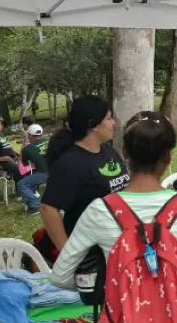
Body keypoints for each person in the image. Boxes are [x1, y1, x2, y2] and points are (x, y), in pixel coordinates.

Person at [50, 111, 177, 323]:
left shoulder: (101, 210)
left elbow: (60, 276)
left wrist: (105, 284)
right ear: (168, 157)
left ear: (124, 153)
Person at [39, 95, 131, 253]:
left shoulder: (108, 151)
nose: (114, 123)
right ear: (93, 125)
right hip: (90, 249)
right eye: (109, 119)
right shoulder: (70, 163)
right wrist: (68, 253)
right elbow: (48, 208)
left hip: (115, 242)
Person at [17, 124, 50, 215]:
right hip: (61, 170)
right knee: (34, 177)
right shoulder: (50, 139)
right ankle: (30, 196)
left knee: (22, 184)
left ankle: (34, 205)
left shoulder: (27, 149)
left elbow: (25, 164)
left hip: (46, 173)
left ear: (30, 136)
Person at [0, 116, 24, 182]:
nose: (1, 126)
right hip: (2, 163)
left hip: (13, 157)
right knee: (21, 169)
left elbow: (6, 146)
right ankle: (22, 188)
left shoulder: (1, 135)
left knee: (29, 164)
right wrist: (2, 158)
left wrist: (17, 153)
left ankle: (29, 186)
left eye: (0, 124)